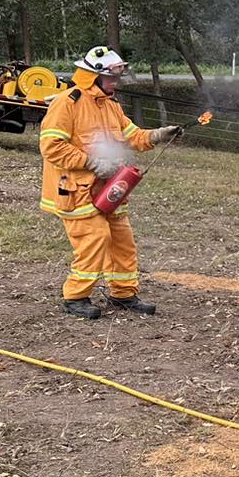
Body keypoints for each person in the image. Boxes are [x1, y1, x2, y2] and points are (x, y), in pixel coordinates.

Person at [38, 46, 180, 319]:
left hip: (109, 189)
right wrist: (91, 162)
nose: (116, 82)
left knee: (121, 240)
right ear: (93, 76)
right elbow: (51, 146)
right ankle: (76, 297)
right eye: (111, 77)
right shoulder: (68, 102)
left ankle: (123, 294)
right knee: (95, 238)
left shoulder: (111, 105)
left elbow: (132, 136)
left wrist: (160, 135)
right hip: (76, 190)